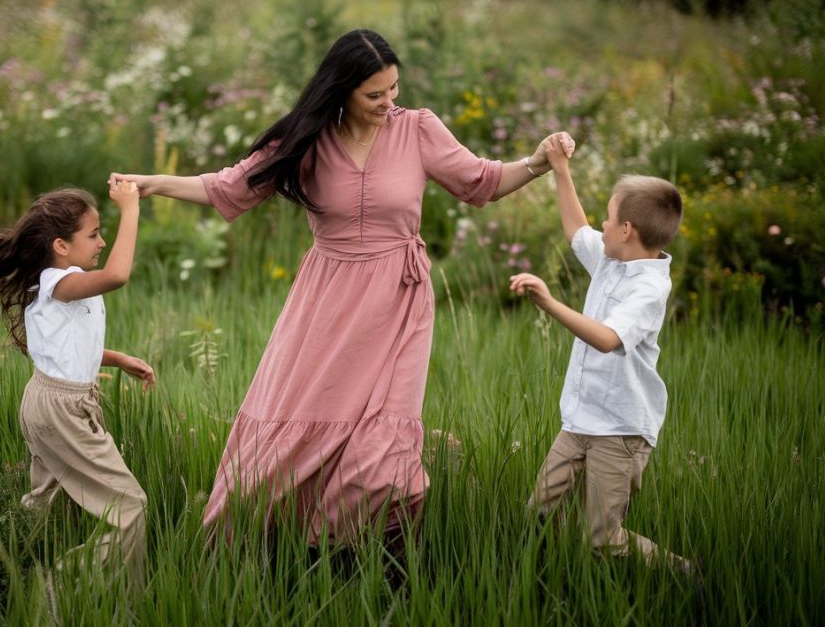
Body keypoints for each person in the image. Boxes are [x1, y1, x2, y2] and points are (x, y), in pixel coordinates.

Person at [113, 28, 571, 545]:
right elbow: (229, 184)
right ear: (342, 89)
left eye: (394, 89)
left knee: (383, 452)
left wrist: (537, 163)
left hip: (398, 303)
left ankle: (374, 558)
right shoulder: (308, 139)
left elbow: (483, 181)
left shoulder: (418, 129)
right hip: (326, 300)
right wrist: (153, 185)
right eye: (375, 94)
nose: (388, 102)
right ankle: (290, 548)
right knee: (299, 426)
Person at [509, 133, 694, 573]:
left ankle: (684, 575)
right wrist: (560, 168)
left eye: (609, 220)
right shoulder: (613, 259)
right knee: (537, 513)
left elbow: (609, 338)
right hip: (581, 418)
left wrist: (550, 304)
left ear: (627, 230)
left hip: (621, 429)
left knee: (602, 538)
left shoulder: (649, 288)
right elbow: (575, 230)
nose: (602, 226)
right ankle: (543, 576)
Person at [0, 182, 156, 568]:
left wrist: (117, 358)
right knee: (129, 507)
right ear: (61, 245)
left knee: (49, 507)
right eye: (94, 234)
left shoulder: (63, 283)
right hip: (62, 409)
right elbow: (118, 275)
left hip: (49, 400)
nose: (101, 242)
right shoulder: (59, 283)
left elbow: (63, 350)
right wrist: (131, 209)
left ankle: (9, 570)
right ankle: (67, 585)